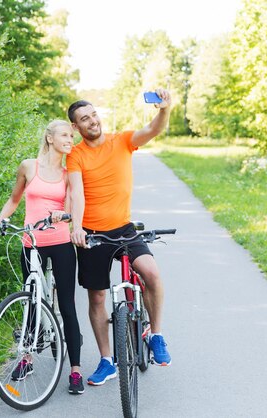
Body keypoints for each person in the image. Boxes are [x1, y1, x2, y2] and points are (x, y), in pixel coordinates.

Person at [66, 89, 173, 386]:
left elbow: (153, 129)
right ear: (76, 127)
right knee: (97, 296)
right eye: (84, 119)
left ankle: (156, 334)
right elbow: (76, 193)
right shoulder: (75, 155)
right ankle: (106, 360)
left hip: (124, 229)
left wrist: (164, 109)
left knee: (151, 272)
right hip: (91, 233)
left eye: (93, 115)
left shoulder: (121, 140)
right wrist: (77, 227)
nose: (92, 121)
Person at [0, 120, 84, 395]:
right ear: (50, 138)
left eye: (71, 136)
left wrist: (64, 215)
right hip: (31, 242)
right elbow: (14, 200)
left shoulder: (68, 172)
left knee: (66, 304)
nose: (70, 139)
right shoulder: (29, 166)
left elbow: (71, 206)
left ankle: (75, 370)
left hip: (61, 243)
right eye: (65, 135)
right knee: (31, 300)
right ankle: (27, 358)